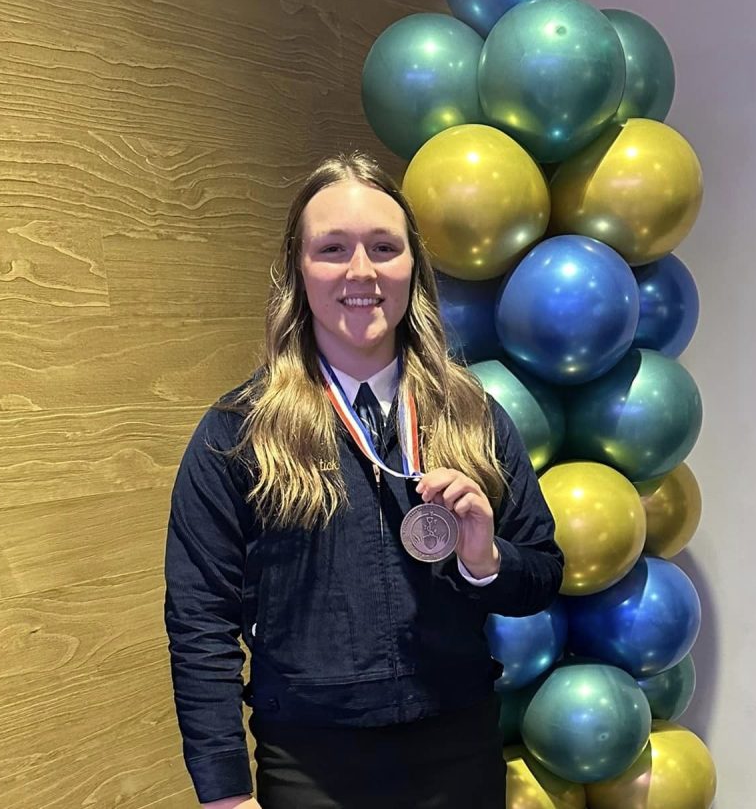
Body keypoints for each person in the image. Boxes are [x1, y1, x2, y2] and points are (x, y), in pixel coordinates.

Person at [163, 151, 564, 809]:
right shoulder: (238, 432)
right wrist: (225, 792)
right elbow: (199, 619)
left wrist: (486, 559)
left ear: (413, 268)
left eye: (383, 247)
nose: (361, 272)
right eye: (333, 249)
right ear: (299, 268)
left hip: (458, 752)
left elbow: (542, 573)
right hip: (312, 766)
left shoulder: (473, 415)